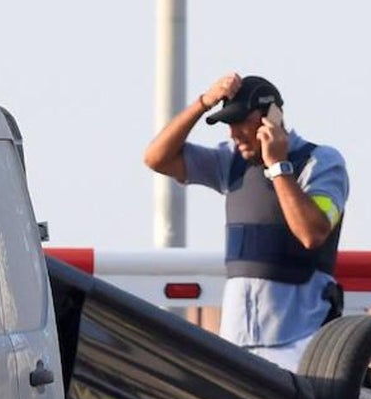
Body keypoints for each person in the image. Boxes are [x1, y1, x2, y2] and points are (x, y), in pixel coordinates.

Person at [143, 72, 349, 371]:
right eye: (229, 125)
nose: (233, 135)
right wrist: (203, 103)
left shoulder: (322, 162)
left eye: (241, 123)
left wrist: (278, 166)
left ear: (271, 119)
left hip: (301, 340)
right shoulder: (231, 161)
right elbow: (155, 158)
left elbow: (311, 233)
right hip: (238, 340)